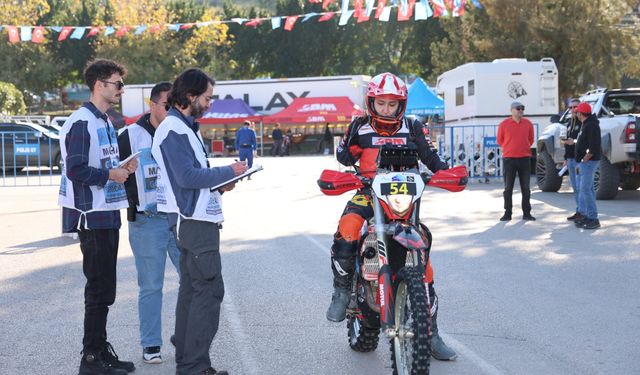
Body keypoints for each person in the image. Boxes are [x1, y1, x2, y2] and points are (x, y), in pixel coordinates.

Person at [328, 72, 457, 361]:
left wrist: (447, 172)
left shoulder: (413, 126)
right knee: (348, 226)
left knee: (423, 255)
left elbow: (432, 158)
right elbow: (344, 158)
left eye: (392, 104)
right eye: (381, 103)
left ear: (402, 105)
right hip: (368, 192)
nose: (387, 109)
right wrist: (347, 146)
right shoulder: (360, 126)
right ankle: (341, 290)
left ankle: (431, 332)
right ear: (371, 102)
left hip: (404, 198)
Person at [151, 68, 247, 375]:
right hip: (193, 222)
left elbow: (188, 179)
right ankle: (194, 366)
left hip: (193, 220)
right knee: (208, 291)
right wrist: (228, 172)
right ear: (190, 96)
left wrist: (220, 183)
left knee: (193, 291)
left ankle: (189, 363)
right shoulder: (174, 130)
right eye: (207, 97)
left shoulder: (183, 127)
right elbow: (187, 177)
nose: (209, 103)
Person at [58, 59, 136, 375]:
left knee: (106, 289)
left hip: (107, 213)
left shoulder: (104, 121)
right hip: (90, 216)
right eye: (118, 83)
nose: (121, 89)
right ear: (100, 84)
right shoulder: (82, 122)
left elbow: (103, 165)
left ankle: (101, 350)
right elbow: (75, 169)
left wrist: (122, 169)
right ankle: (90, 358)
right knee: (98, 288)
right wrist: (111, 175)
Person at [117, 82, 180, 364]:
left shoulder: (180, 130)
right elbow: (112, 174)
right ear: (152, 104)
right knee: (151, 286)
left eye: (175, 104)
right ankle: (151, 345)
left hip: (180, 219)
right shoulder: (130, 135)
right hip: (147, 221)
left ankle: (186, 337)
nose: (171, 110)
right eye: (167, 105)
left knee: (194, 281)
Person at [496, 101, 536, 221]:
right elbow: (500, 140)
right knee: (508, 188)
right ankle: (508, 213)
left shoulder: (528, 124)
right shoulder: (504, 124)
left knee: (526, 188)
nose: (521, 111)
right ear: (512, 110)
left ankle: (527, 213)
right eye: (518, 108)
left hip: (524, 159)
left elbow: (531, 139)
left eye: (522, 108)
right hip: (509, 159)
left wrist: (522, 148)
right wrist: (510, 148)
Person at [574, 102, 601, 229]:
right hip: (586, 162)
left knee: (585, 189)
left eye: (576, 111)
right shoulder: (586, 124)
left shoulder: (591, 126)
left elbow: (594, 146)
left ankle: (593, 218)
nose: (575, 113)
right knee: (587, 189)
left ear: (580, 113)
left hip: (589, 162)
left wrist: (584, 160)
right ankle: (588, 215)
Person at [561, 99, 583, 221]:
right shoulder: (569, 122)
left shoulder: (582, 122)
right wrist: (565, 158)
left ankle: (583, 212)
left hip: (579, 160)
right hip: (570, 159)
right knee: (575, 187)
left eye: (576, 107)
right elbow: (567, 141)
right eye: (571, 107)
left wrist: (573, 142)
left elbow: (583, 141)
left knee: (581, 187)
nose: (573, 110)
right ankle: (579, 211)